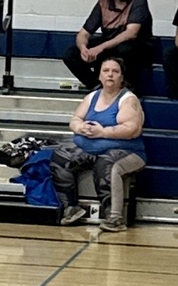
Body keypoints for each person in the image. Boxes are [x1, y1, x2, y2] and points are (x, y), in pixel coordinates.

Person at [50, 56, 146, 232]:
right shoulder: (92, 96)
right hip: (89, 148)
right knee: (60, 157)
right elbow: (75, 119)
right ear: (99, 76)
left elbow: (132, 129)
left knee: (107, 164)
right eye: (106, 71)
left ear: (122, 77)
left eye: (115, 72)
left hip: (126, 151)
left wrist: (103, 132)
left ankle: (115, 217)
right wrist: (81, 128)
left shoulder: (128, 100)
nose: (110, 75)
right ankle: (71, 208)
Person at [62, 0, 153, 91]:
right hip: (111, 45)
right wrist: (84, 49)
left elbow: (131, 33)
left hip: (137, 46)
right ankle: (96, 86)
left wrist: (100, 48)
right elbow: (83, 34)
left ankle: (126, 88)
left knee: (124, 49)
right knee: (71, 54)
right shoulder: (103, 4)